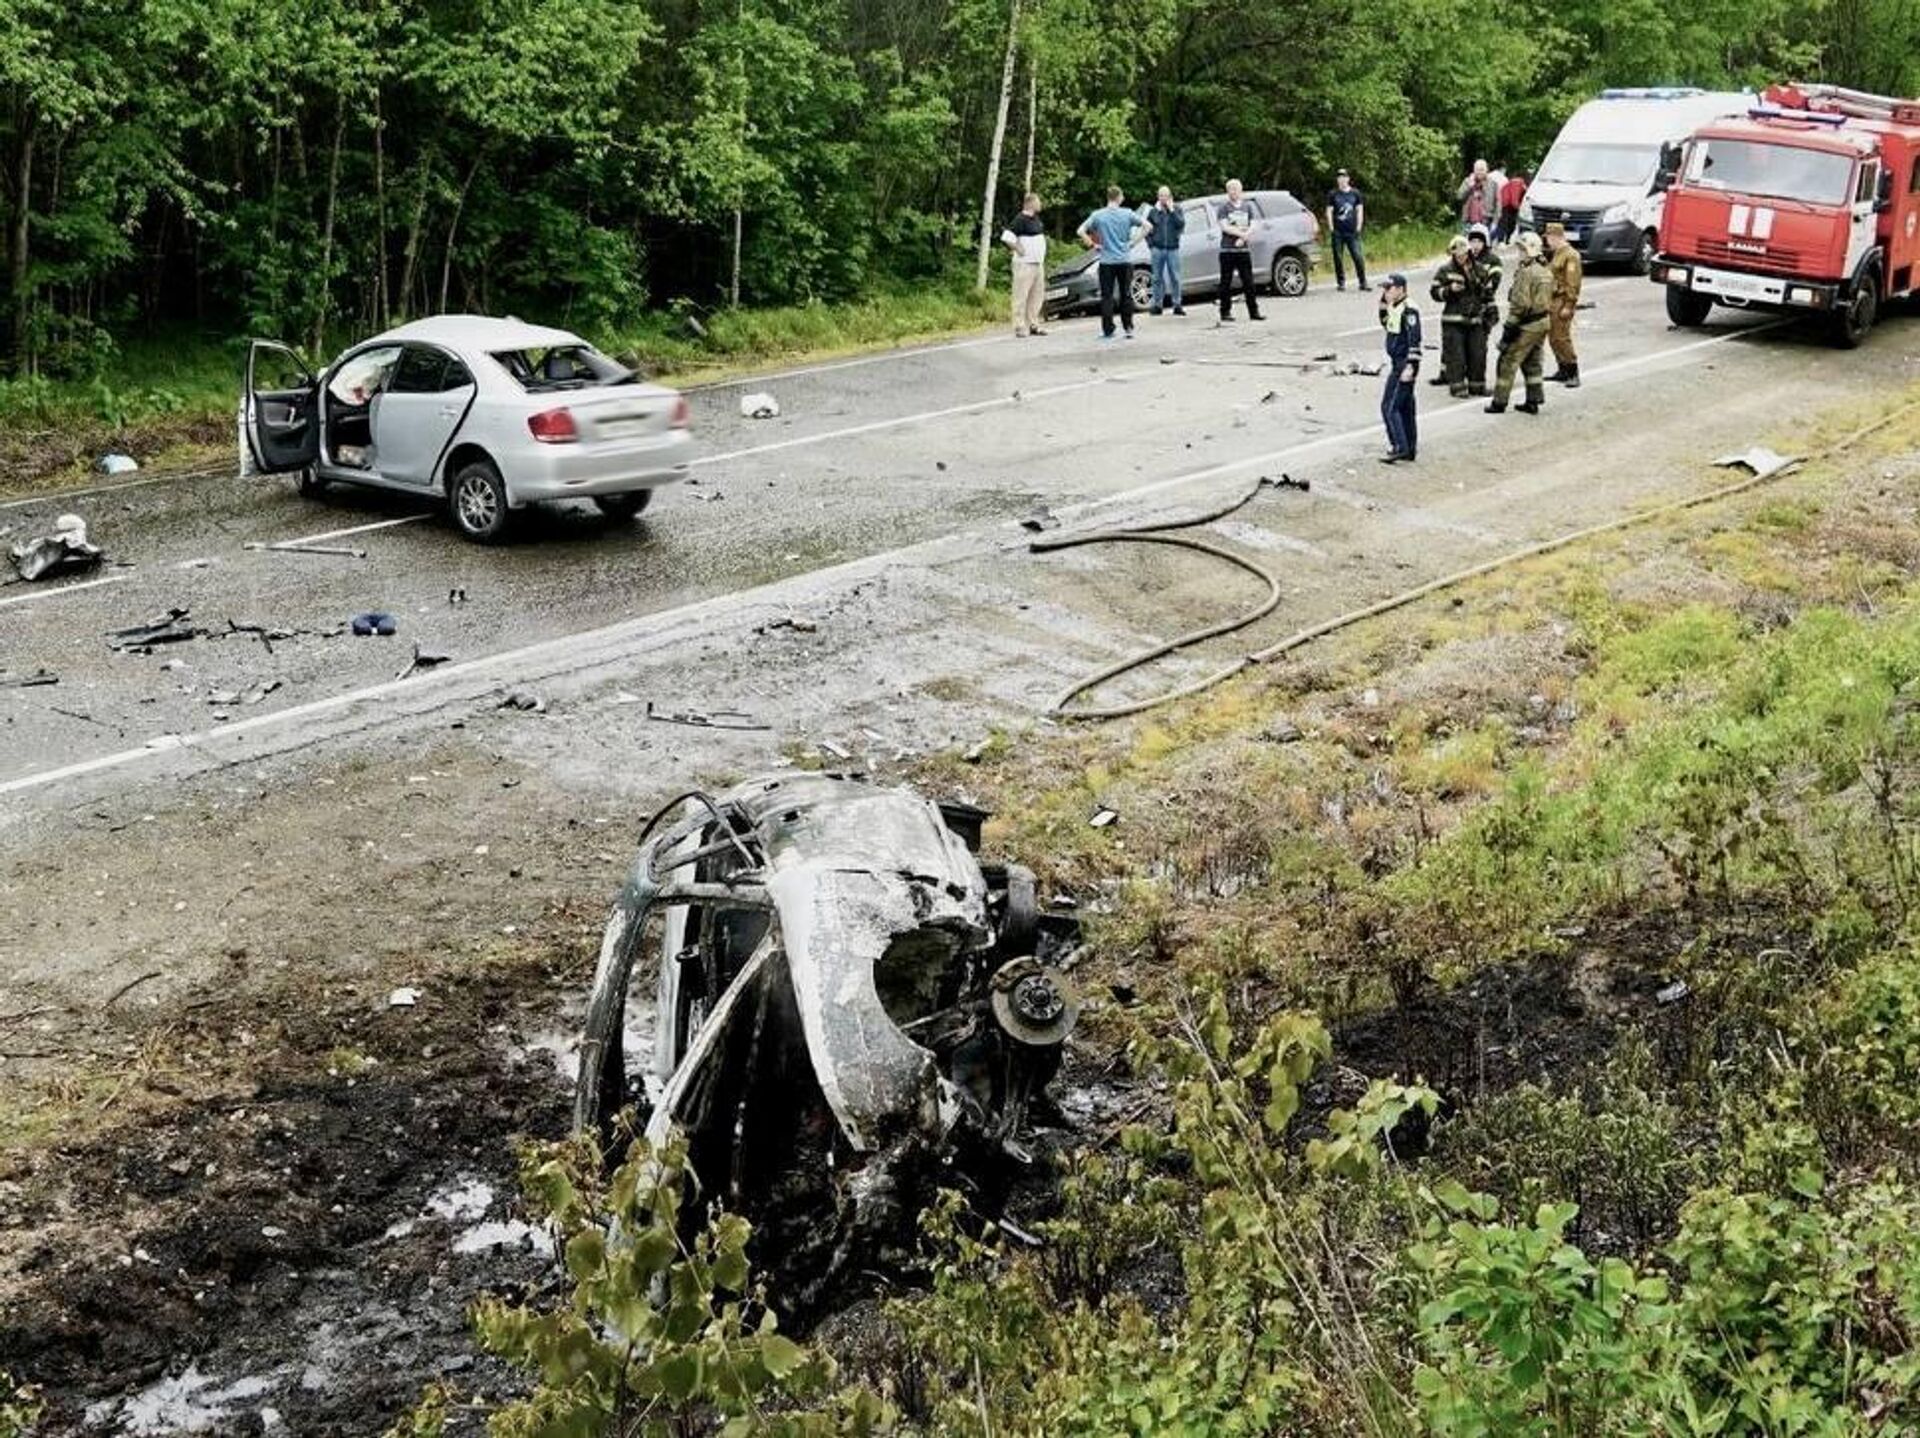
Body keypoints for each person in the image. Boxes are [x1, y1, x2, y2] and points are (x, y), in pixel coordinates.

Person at [1487, 231, 1551, 415]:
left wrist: (1509, 328)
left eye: (1521, 249)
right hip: (1542, 322)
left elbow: (1521, 304)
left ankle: (1499, 402)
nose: (1519, 253)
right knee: (1533, 361)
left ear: (1529, 250)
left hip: (1528, 323)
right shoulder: (1544, 270)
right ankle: (1534, 400)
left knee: (1508, 360)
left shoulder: (1527, 272)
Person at [1076, 185, 1144, 340]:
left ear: (1108, 197)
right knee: (1126, 294)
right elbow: (1148, 226)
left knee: (1107, 296)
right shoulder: (1127, 213)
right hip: (1125, 260)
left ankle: (1108, 330)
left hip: (1106, 261)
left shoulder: (1098, 215)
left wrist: (1093, 244)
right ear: (1119, 197)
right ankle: (1128, 328)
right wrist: (1133, 242)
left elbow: (1080, 230)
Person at [1377, 271, 1422, 464]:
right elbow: (1388, 325)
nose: (1386, 292)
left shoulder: (1409, 309)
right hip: (1398, 362)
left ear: (1401, 289)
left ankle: (1400, 446)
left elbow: (1414, 338)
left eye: (1389, 288)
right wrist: (1382, 306)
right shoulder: (1395, 307)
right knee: (1405, 407)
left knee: (1391, 406)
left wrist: (1410, 366)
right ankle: (1409, 448)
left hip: (1404, 364)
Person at [1428, 237, 1475, 397]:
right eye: (1458, 255)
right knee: (1456, 354)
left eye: (1464, 254)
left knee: (1476, 353)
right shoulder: (1445, 270)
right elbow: (1434, 292)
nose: (1462, 258)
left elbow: (1485, 292)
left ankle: (1476, 386)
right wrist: (1449, 290)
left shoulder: (1477, 268)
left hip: (1474, 319)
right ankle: (1457, 387)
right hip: (1453, 317)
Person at [1001, 192, 1049, 338]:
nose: (1040, 204)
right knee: (1021, 295)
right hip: (1025, 264)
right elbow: (1007, 237)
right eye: (1038, 202)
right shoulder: (1020, 219)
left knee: (1036, 295)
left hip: (1037, 263)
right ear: (1030, 203)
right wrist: (1018, 248)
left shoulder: (1036, 219)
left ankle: (1033, 324)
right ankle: (1019, 326)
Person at [1216, 179, 1265, 322]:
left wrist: (1244, 238)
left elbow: (1254, 225)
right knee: (1226, 282)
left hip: (1243, 250)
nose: (1234, 192)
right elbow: (1224, 226)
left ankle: (1254, 311)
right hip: (1227, 250)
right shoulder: (1223, 208)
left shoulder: (1247, 207)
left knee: (1248, 282)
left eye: (1236, 189)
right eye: (1231, 189)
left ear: (1241, 190)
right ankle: (1225, 312)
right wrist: (1240, 234)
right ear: (1227, 192)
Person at [1463, 224, 1503, 397]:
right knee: (1459, 345)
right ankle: (1453, 376)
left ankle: (1478, 382)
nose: (1475, 245)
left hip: (1483, 310)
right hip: (1465, 310)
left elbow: (1491, 285)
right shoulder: (1464, 259)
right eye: (1472, 240)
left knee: (1479, 349)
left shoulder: (1493, 261)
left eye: (1479, 241)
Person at [1544, 220, 1584, 388]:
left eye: (1548, 238)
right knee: (1553, 338)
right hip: (1552, 300)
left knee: (1562, 337)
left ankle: (1573, 371)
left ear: (1556, 237)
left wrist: (1569, 304)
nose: (1547, 241)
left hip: (1562, 300)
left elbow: (1572, 282)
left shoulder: (1570, 255)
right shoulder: (1558, 253)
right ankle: (1563, 369)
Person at [1325, 169, 1368, 291]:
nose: (1341, 179)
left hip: (1352, 231)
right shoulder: (1333, 194)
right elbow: (1329, 211)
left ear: (1348, 179)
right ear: (1337, 180)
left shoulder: (1355, 193)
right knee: (1338, 258)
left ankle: (1363, 282)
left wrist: (1359, 226)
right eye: (1339, 177)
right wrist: (1331, 228)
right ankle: (1341, 282)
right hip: (1338, 232)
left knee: (1357, 256)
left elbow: (1360, 210)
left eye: (1344, 177)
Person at [1145, 186, 1186, 315]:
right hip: (1157, 248)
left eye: (1166, 196)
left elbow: (1181, 224)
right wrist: (1151, 245)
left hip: (1173, 248)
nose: (1163, 198)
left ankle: (1177, 304)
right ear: (1158, 197)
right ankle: (1157, 305)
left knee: (1175, 277)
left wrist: (1172, 210)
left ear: (1170, 197)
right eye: (1161, 196)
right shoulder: (1153, 212)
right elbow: (1147, 229)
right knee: (1157, 278)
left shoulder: (1177, 209)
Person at [1457, 159, 1499, 233]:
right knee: (1467, 244)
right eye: (1477, 169)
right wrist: (1469, 186)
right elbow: (1459, 196)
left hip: (1486, 222)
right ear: (1474, 170)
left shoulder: (1493, 184)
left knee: (1484, 244)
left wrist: (1495, 222)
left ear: (1487, 170)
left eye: (1482, 169)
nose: (1479, 172)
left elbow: (1498, 205)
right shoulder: (1467, 181)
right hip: (1468, 222)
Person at [1496, 169, 1528, 244]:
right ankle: (1505, 241)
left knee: (1503, 224)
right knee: (1508, 225)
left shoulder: (1512, 182)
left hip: (1505, 205)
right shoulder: (1518, 183)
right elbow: (1514, 198)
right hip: (1510, 207)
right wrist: (1520, 208)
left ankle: (1501, 240)